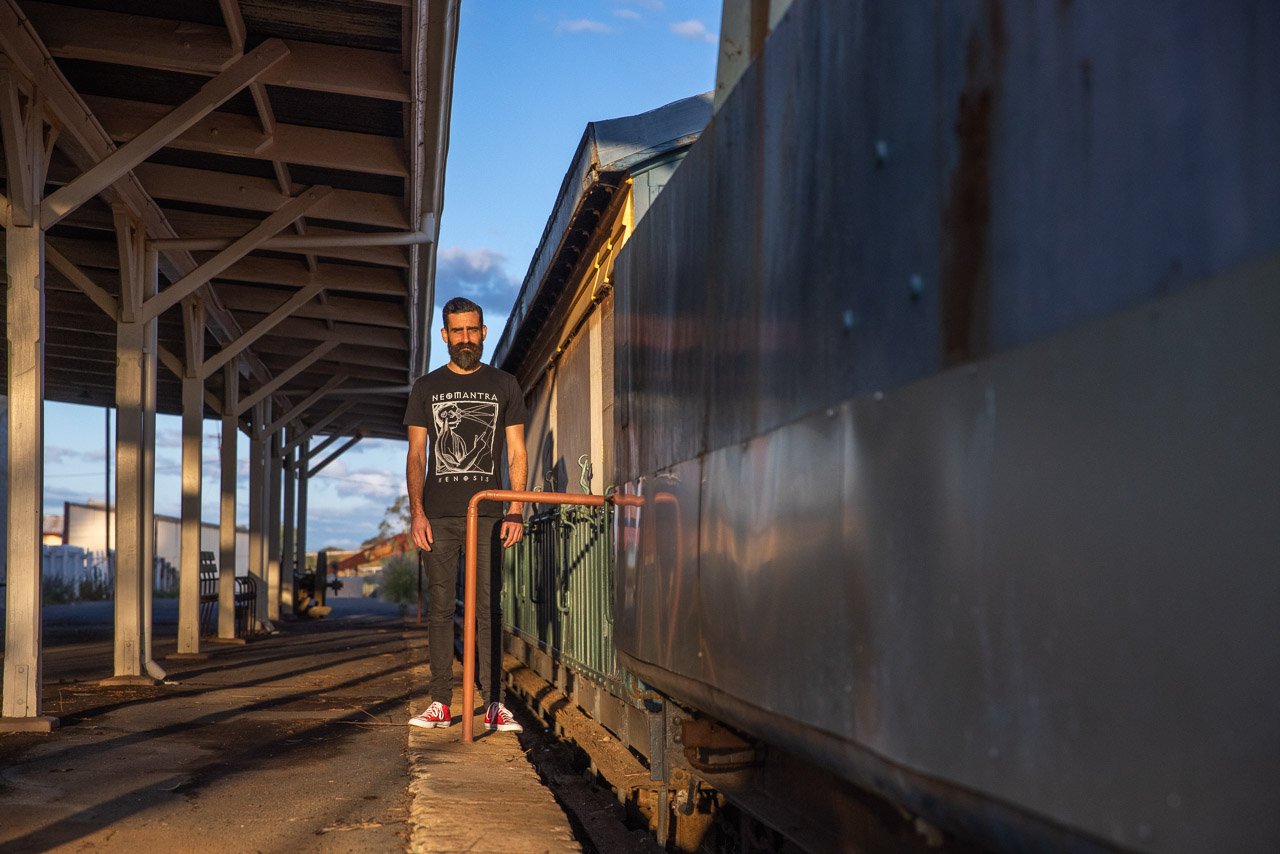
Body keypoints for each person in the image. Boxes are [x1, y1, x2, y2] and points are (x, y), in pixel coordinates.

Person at [403, 297, 528, 733]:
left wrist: (516, 507)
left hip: (490, 515)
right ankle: (440, 703)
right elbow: (417, 455)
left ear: (483, 332)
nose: (465, 339)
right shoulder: (426, 388)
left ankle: (494, 703)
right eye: (457, 331)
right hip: (437, 515)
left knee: (488, 608)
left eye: (472, 330)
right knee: (440, 609)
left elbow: (516, 451)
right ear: (444, 335)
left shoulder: (504, 384)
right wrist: (416, 512)